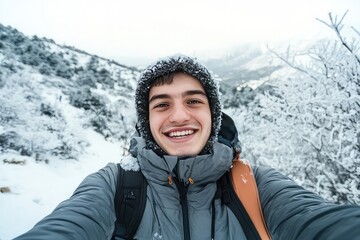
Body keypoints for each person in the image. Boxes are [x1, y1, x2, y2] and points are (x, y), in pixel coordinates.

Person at [15, 56, 360, 240]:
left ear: (213, 114)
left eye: (194, 101)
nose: (179, 116)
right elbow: (68, 226)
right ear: (146, 121)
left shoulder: (255, 187)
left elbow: (320, 221)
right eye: (161, 105)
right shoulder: (115, 186)